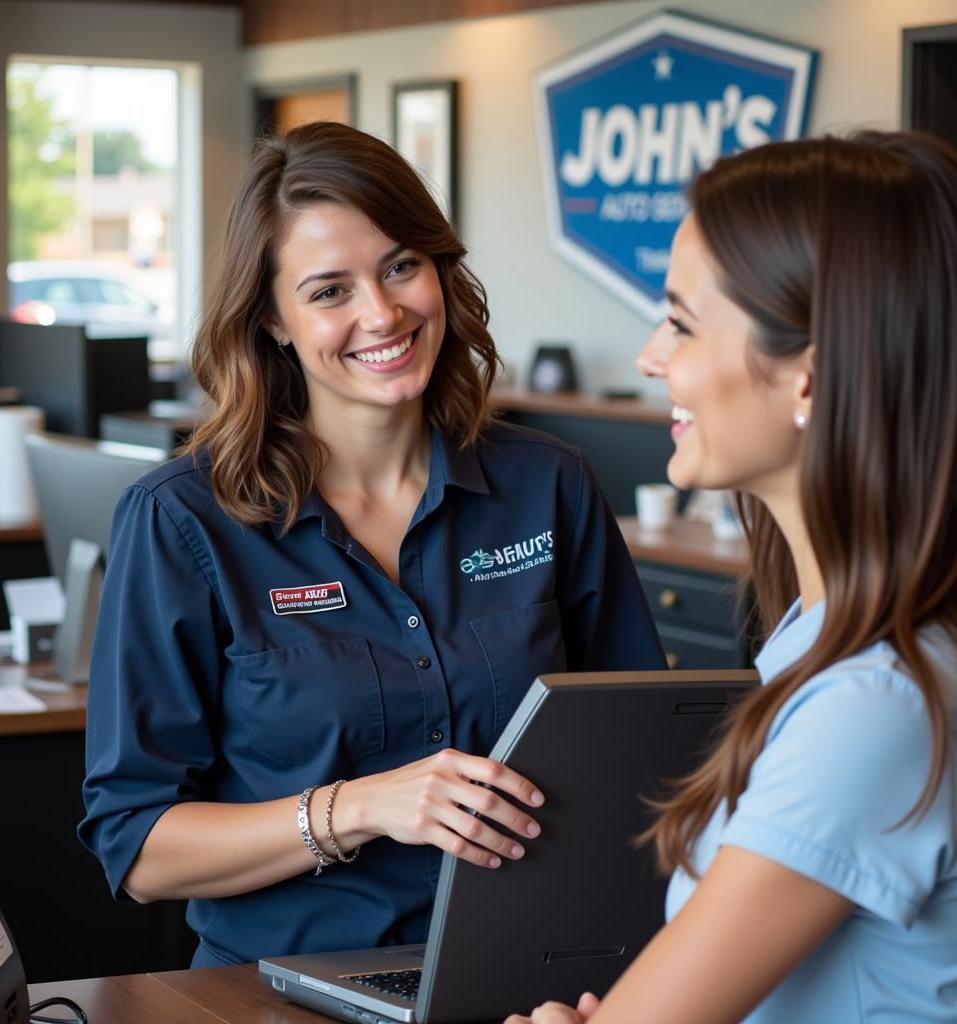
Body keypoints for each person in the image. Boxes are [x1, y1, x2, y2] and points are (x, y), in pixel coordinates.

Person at [78, 121, 665, 968]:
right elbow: (137, 846)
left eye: (400, 266)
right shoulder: (182, 522)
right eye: (329, 292)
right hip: (279, 989)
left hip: (536, 976)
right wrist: (357, 808)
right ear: (273, 322)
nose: (383, 314)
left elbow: (644, 754)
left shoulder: (551, 485)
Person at [507, 131, 957, 1023]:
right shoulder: (818, 635)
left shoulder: (877, 704)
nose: (649, 358)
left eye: (679, 322)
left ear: (810, 380)